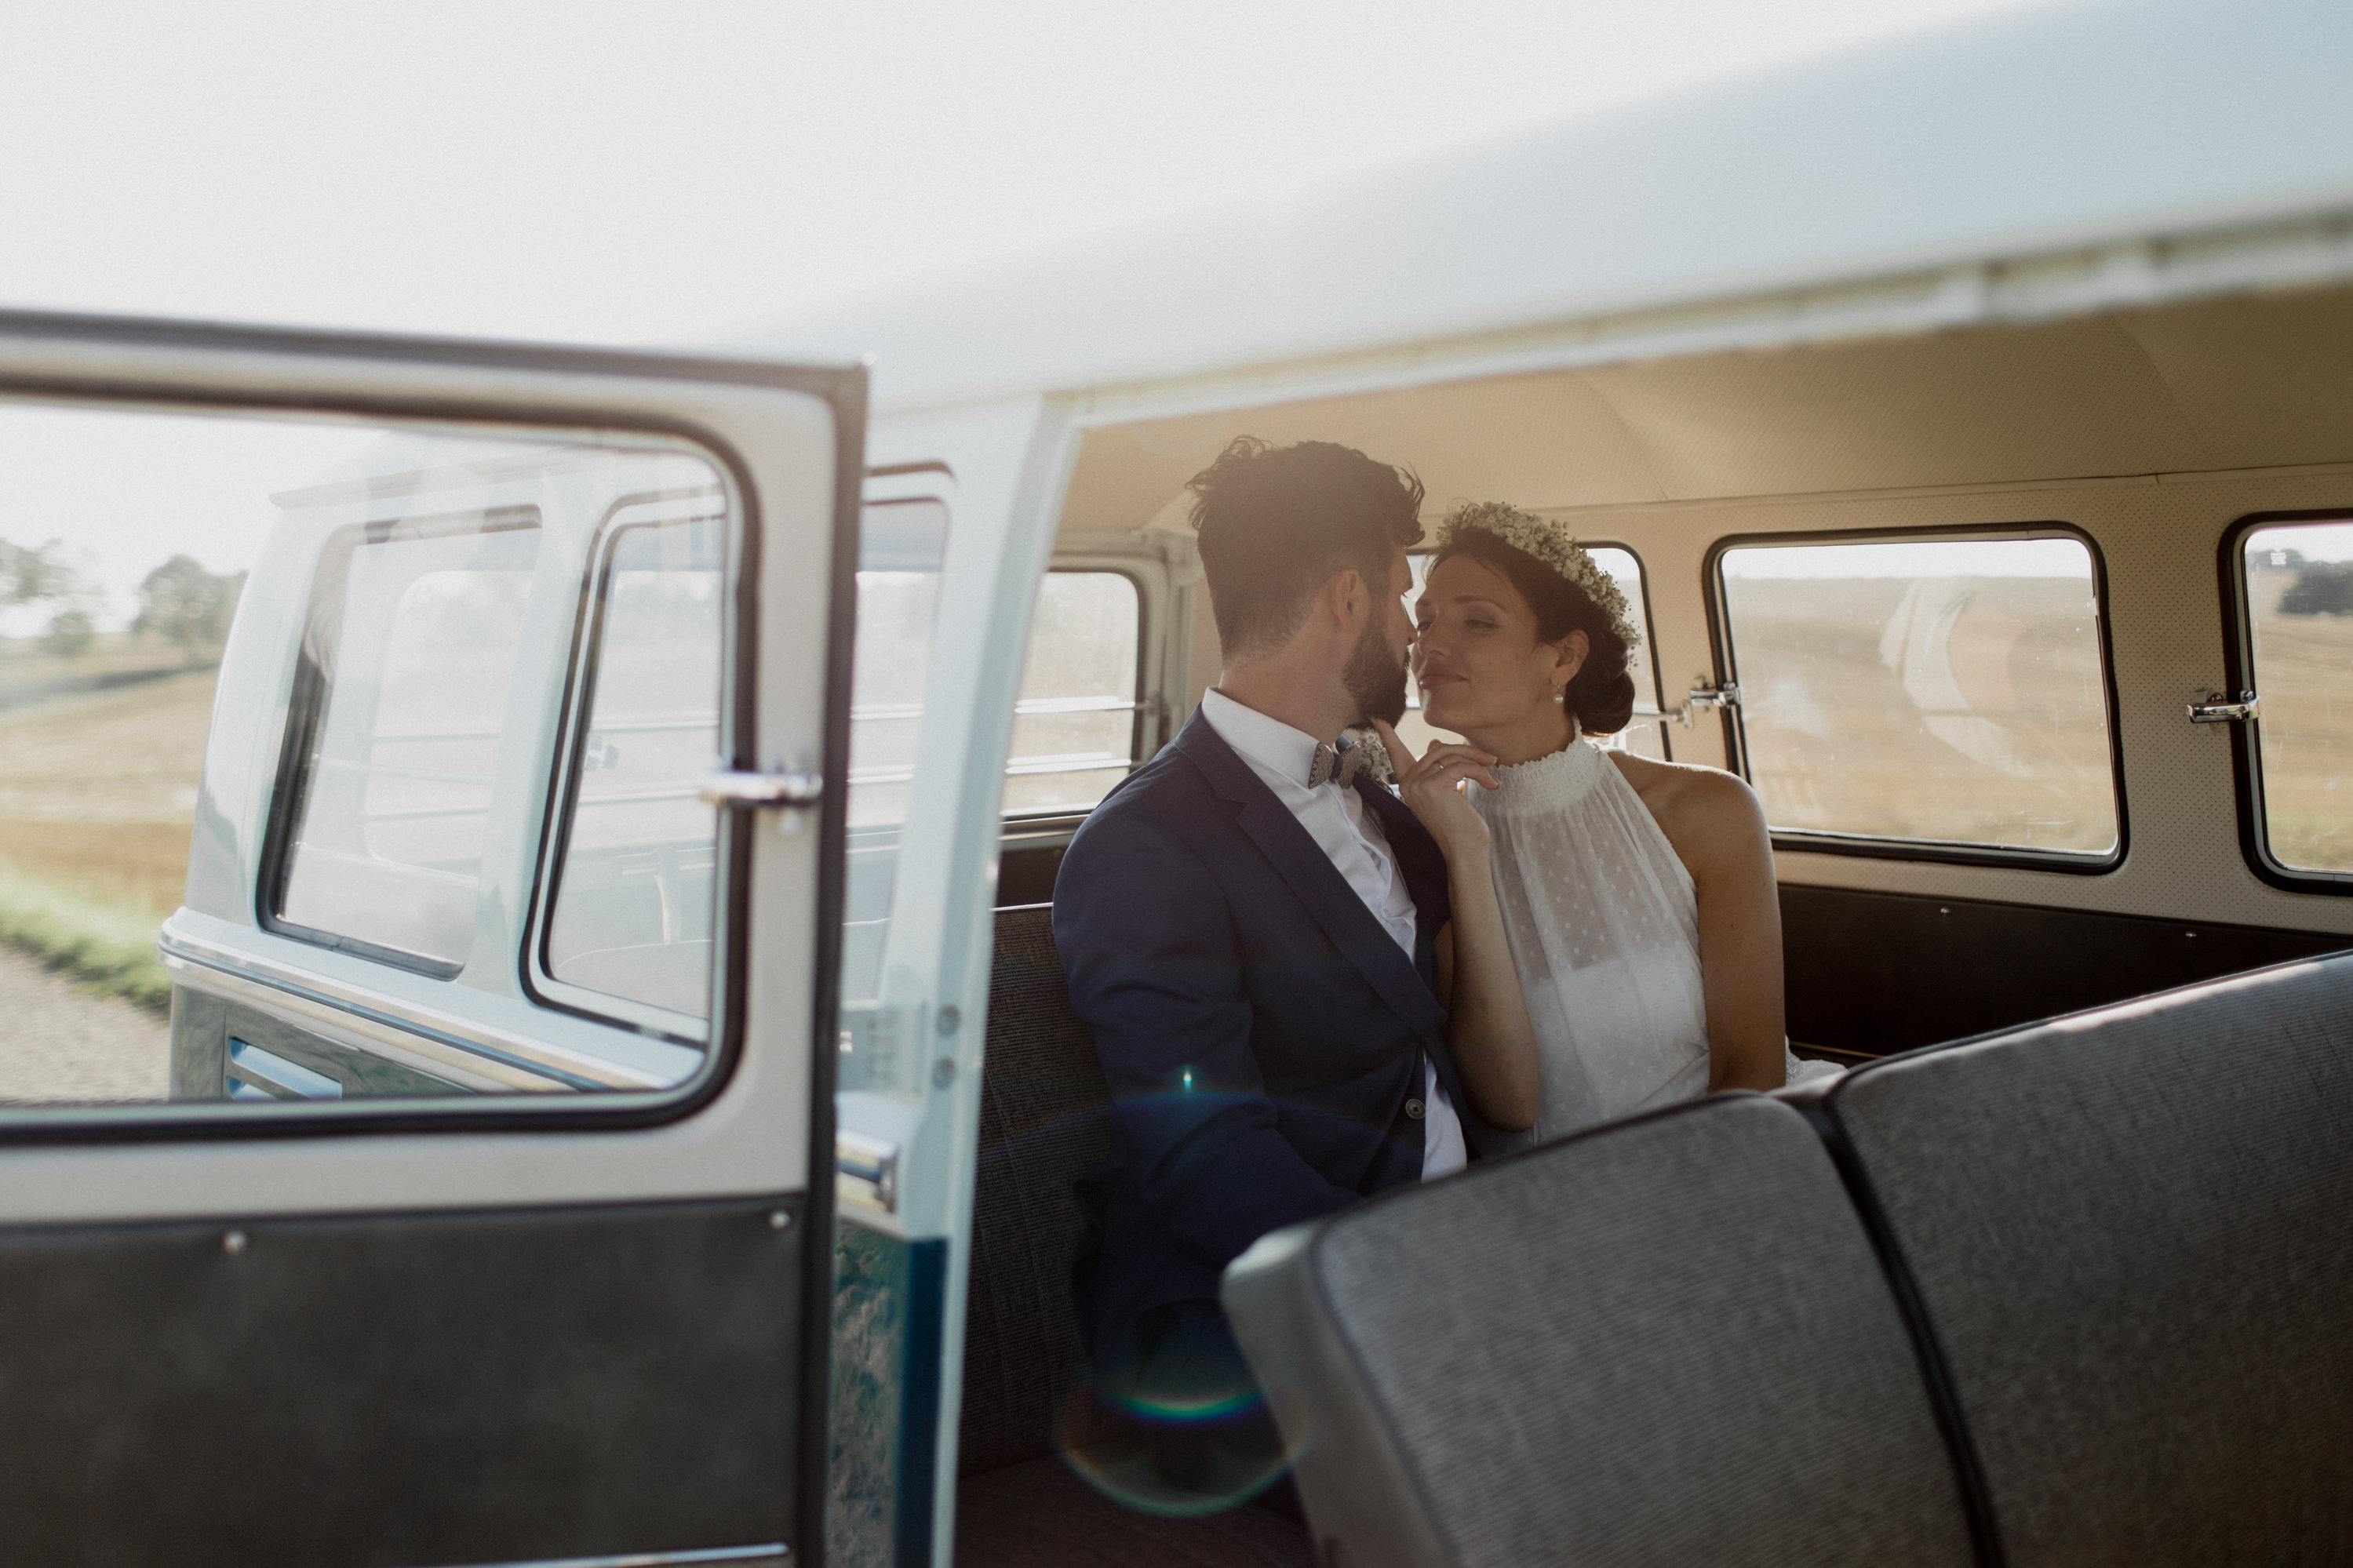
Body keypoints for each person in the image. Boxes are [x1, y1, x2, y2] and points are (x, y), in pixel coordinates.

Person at [1051, 440, 1533, 1512]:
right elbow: (1204, 1154)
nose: (1413, 635)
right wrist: (1427, 1287)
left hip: (1445, 1247)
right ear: (1348, 599)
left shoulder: (1388, 801)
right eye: (1405, 598)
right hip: (1264, 1332)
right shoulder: (1142, 848)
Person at [1371, 500, 1837, 1152]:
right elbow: (1498, 1104)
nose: (1430, 644)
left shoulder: (1706, 811)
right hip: (1546, 1206)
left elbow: (1749, 1076)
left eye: (1476, 621)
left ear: (1563, 658)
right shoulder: (1424, 840)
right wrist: (1459, 853)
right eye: (1423, 622)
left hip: (1731, 1166)